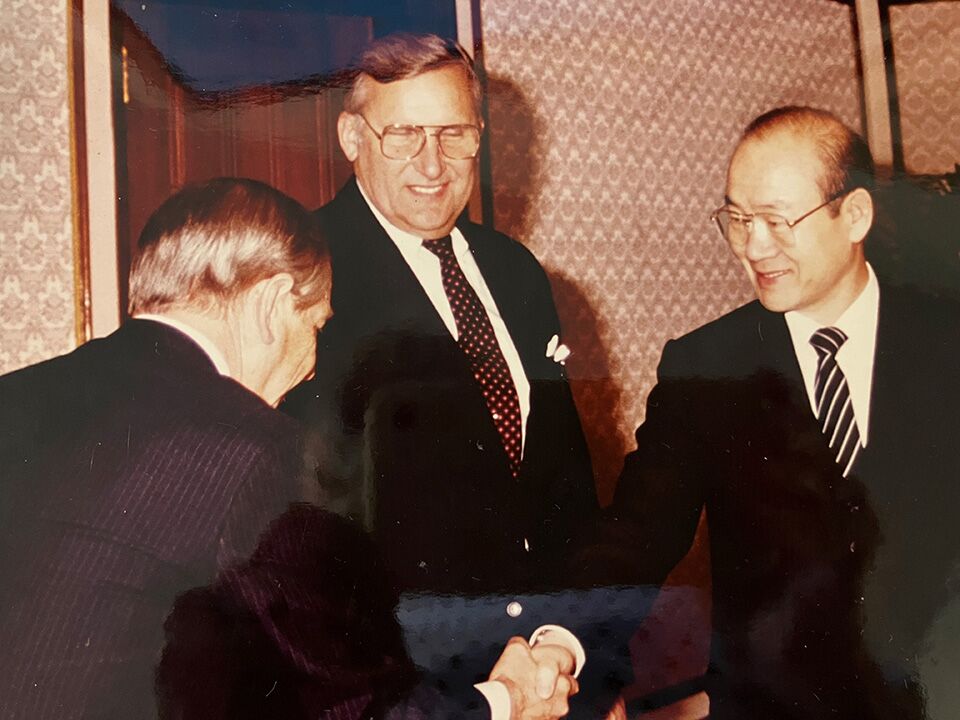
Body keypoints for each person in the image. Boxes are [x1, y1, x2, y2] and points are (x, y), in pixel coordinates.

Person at [0, 178, 578, 720]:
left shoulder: (19, 397)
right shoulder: (254, 451)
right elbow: (351, 709)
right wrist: (505, 701)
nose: (309, 373)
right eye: (318, 329)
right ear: (273, 304)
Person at [578, 107, 960, 719]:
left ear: (854, 214)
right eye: (738, 220)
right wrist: (571, 643)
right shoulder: (705, 364)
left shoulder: (948, 337)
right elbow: (638, 529)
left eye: (778, 221)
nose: (754, 247)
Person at [283, 33, 596, 596]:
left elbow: (563, 477)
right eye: (403, 134)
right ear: (353, 137)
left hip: (548, 641)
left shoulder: (516, 270)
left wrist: (584, 647)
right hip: (401, 655)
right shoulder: (302, 270)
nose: (433, 164)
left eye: (454, 134)